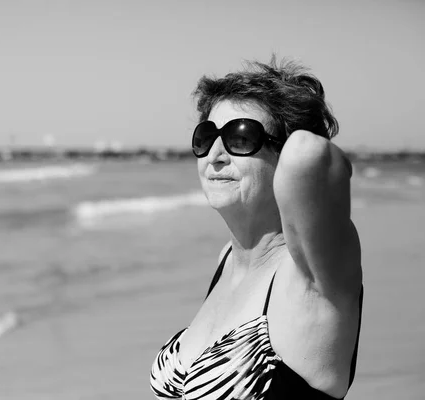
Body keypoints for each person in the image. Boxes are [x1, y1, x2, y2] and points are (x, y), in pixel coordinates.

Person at [149, 56, 363, 400]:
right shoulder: (227, 261)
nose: (215, 155)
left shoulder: (313, 274)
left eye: (242, 136)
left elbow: (310, 154)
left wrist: (294, 119)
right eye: (207, 136)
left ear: (284, 153)